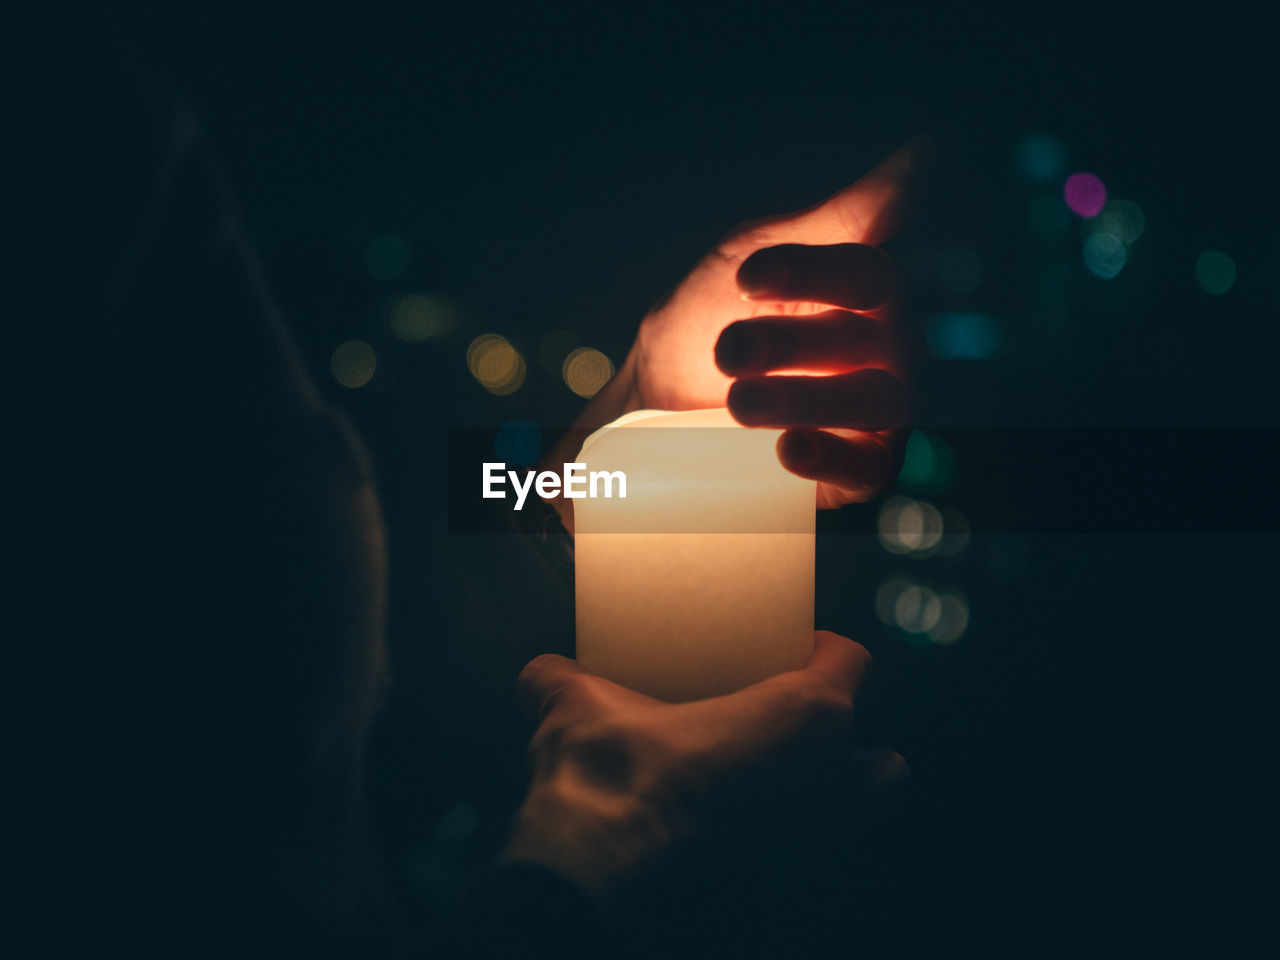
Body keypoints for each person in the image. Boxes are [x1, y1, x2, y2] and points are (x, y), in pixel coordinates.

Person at [4, 18, 921, 958]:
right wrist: (593, 886)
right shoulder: (61, 154)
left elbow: (320, 669)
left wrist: (620, 443)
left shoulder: (110, 146)